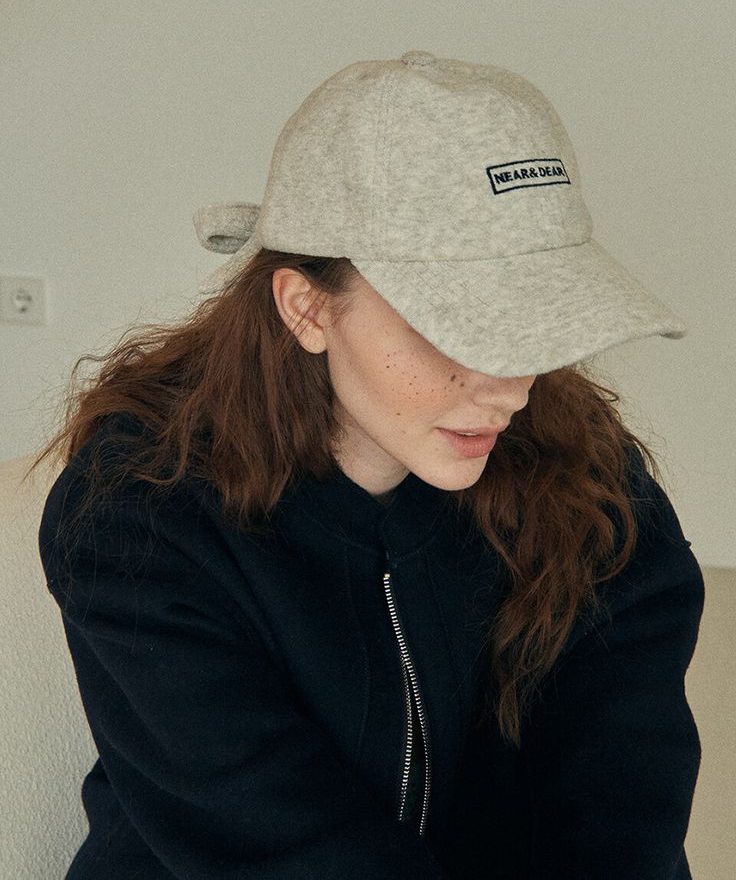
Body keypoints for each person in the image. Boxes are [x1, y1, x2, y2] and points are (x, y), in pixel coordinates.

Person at [33, 49, 705, 879]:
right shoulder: (140, 508)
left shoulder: (591, 482)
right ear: (306, 306)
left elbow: (621, 807)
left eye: (533, 327)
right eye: (455, 330)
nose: (508, 388)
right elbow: (277, 841)